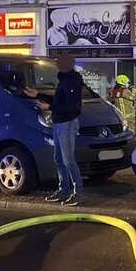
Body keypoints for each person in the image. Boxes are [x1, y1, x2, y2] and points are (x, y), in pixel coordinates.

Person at [24, 55, 84, 206]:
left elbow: (72, 106)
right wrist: (38, 95)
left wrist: (49, 107)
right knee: (58, 159)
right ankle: (63, 190)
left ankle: (78, 193)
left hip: (67, 123)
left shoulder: (71, 81)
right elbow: (59, 100)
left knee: (68, 160)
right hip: (59, 123)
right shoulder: (65, 80)